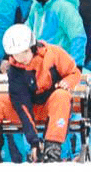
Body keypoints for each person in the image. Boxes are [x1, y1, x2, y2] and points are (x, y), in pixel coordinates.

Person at [0, 24, 81, 163]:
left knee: (61, 95)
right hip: (26, 111)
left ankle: (52, 148)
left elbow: (74, 72)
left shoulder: (54, 54)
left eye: (25, 52)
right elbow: (22, 107)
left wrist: (68, 82)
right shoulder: (14, 72)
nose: (22, 58)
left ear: (32, 46)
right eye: (16, 54)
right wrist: (34, 142)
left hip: (51, 109)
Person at [26, 0, 87, 68]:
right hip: (39, 67)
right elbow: (26, 33)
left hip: (59, 67)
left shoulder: (64, 6)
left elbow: (78, 37)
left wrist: (76, 67)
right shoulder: (36, 6)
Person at [0, 0, 32, 162]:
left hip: (9, 67)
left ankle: (18, 159)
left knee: (12, 111)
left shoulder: (10, 0)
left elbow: (17, 34)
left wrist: (6, 59)